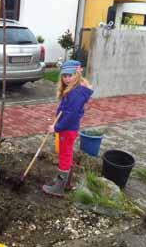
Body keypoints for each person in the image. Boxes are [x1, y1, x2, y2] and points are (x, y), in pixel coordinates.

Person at [42, 60, 93, 197]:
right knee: (67, 154)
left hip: (67, 129)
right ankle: (65, 182)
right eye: (64, 75)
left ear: (77, 74)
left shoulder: (76, 93)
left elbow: (71, 115)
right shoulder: (74, 89)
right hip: (68, 128)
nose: (67, 78)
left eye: (70, 75)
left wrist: (56, 127)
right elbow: (68, 111)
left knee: (64, 155)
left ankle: (59, 188)